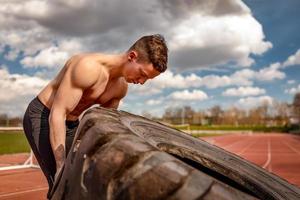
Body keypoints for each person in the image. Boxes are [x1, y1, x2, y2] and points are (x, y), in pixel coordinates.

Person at [22, 34, 168, 198]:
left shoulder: (120, 89)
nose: (142, 82)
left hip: (71, 125)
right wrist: (61, 164)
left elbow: (105, 127)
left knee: (83, 181)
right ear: (132, 56)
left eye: (147, 79)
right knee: (61, 183)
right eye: (142, 74)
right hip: (44, 116)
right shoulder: (87, 68)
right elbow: (58, 113)